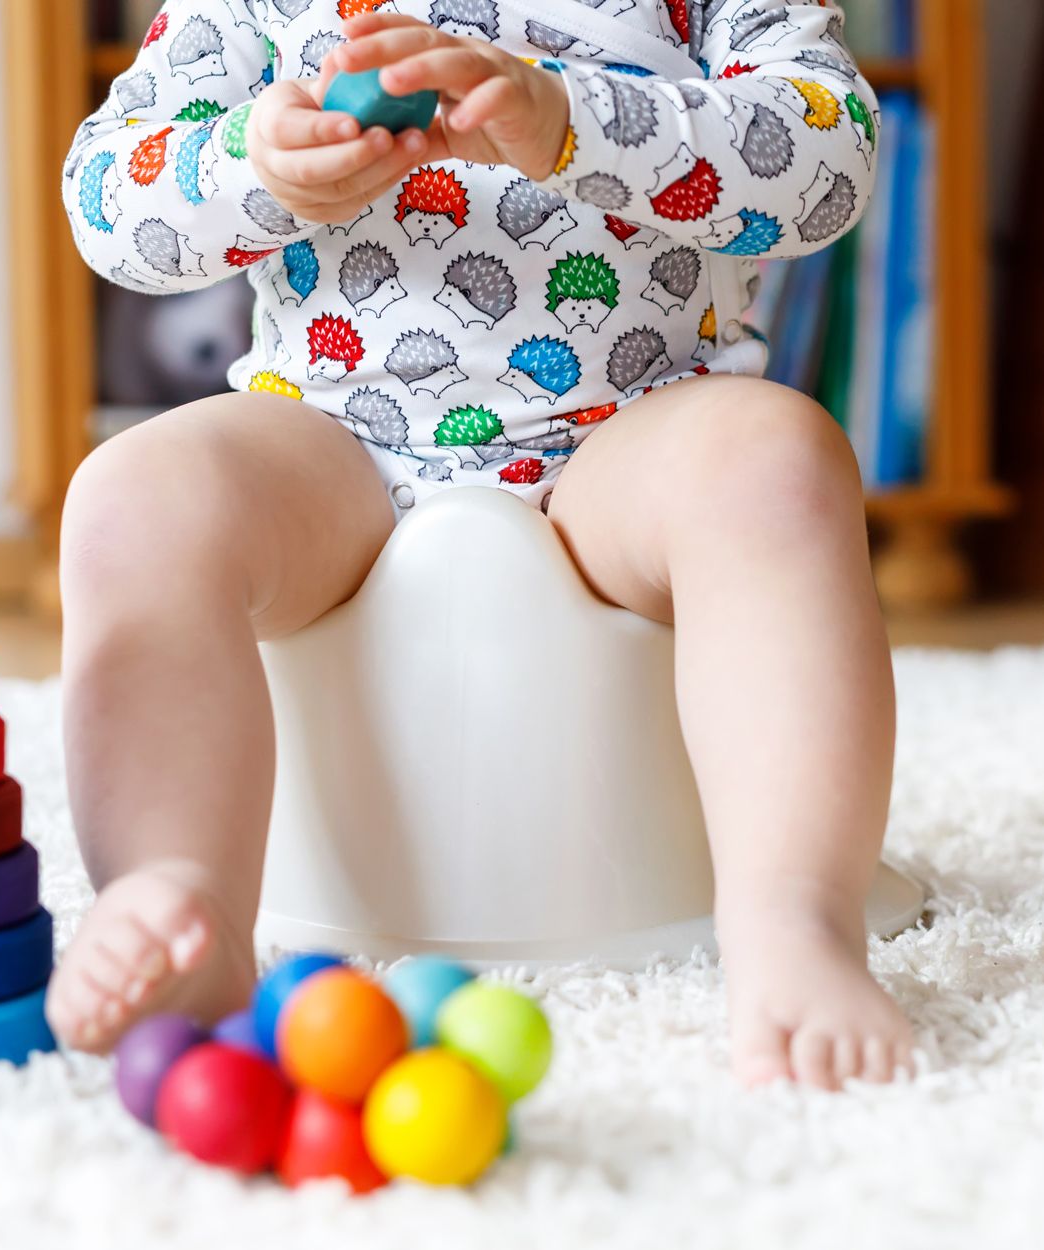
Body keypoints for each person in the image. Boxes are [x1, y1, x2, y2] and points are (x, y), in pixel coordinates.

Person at [49, 0, 914, 1090]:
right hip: (329, 440)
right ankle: (184, 896)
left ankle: (794, 914)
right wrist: (252, 167)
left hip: (631, 433)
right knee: (134, 497)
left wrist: (573, 123)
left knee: (775, 463)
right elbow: (106, 200)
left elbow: (826, 161)